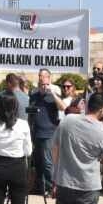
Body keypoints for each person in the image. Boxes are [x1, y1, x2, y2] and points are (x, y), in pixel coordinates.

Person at [50, 92, 103, 204]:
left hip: (65, 182)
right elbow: (101, 157)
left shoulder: (68, 120)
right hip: (89, 186)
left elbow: (55, 148)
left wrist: (55, 177)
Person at [29, 68, 61, 196]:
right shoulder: (34, 95)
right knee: (38, 162)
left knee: (48, 162)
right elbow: (30, 113)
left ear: (49, 80)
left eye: (45, 83)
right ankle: (40, 187)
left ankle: (50, 187)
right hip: (36, 133)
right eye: (40, 81)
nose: (43, 85)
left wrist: (52, 94)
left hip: (49, 133)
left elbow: (63, 107)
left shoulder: (54, 94)